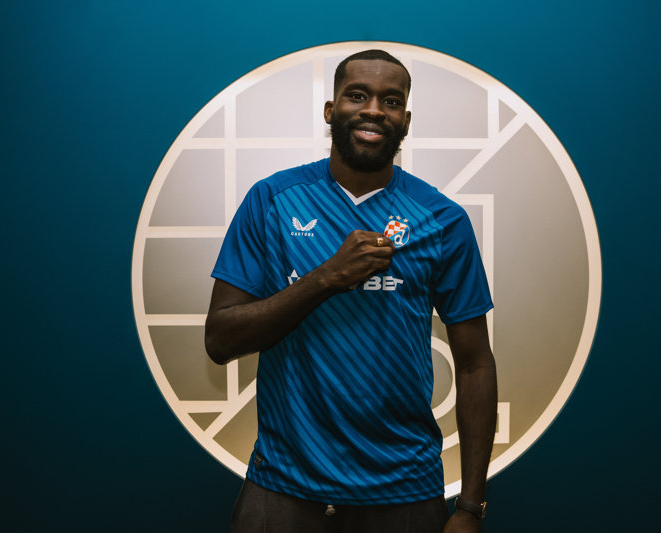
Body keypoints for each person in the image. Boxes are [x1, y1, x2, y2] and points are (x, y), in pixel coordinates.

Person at [205, 49, 498, 533]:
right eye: (357, 95)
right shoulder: (271, 200)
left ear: (406, 121)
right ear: (330, 110)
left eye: (391, 101)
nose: (374, 110)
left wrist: (469, 507)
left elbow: (474, 364)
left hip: (404, 490)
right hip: (282, 486)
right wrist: (326, 278)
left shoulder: (443, 219)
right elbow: (220, 340)